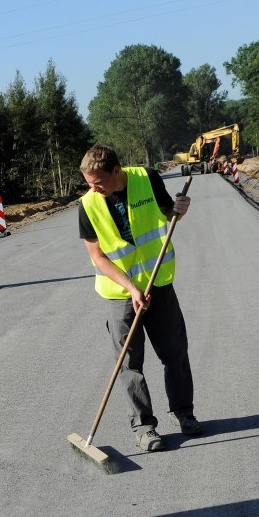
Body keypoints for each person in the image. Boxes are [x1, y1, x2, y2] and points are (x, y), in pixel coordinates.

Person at [78, 144, 205, 452]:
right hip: (121, 294)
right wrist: (131, 288)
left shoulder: (147, 178)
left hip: (158, 283)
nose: (93, 188)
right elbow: (98, 257)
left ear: (116, 171)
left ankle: (184, 414)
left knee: (174, 353)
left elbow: (167, 213)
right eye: (88, 182)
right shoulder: (88, 205)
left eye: (98, 181)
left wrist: (180, 210)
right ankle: (144, 427)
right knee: (129, 364)